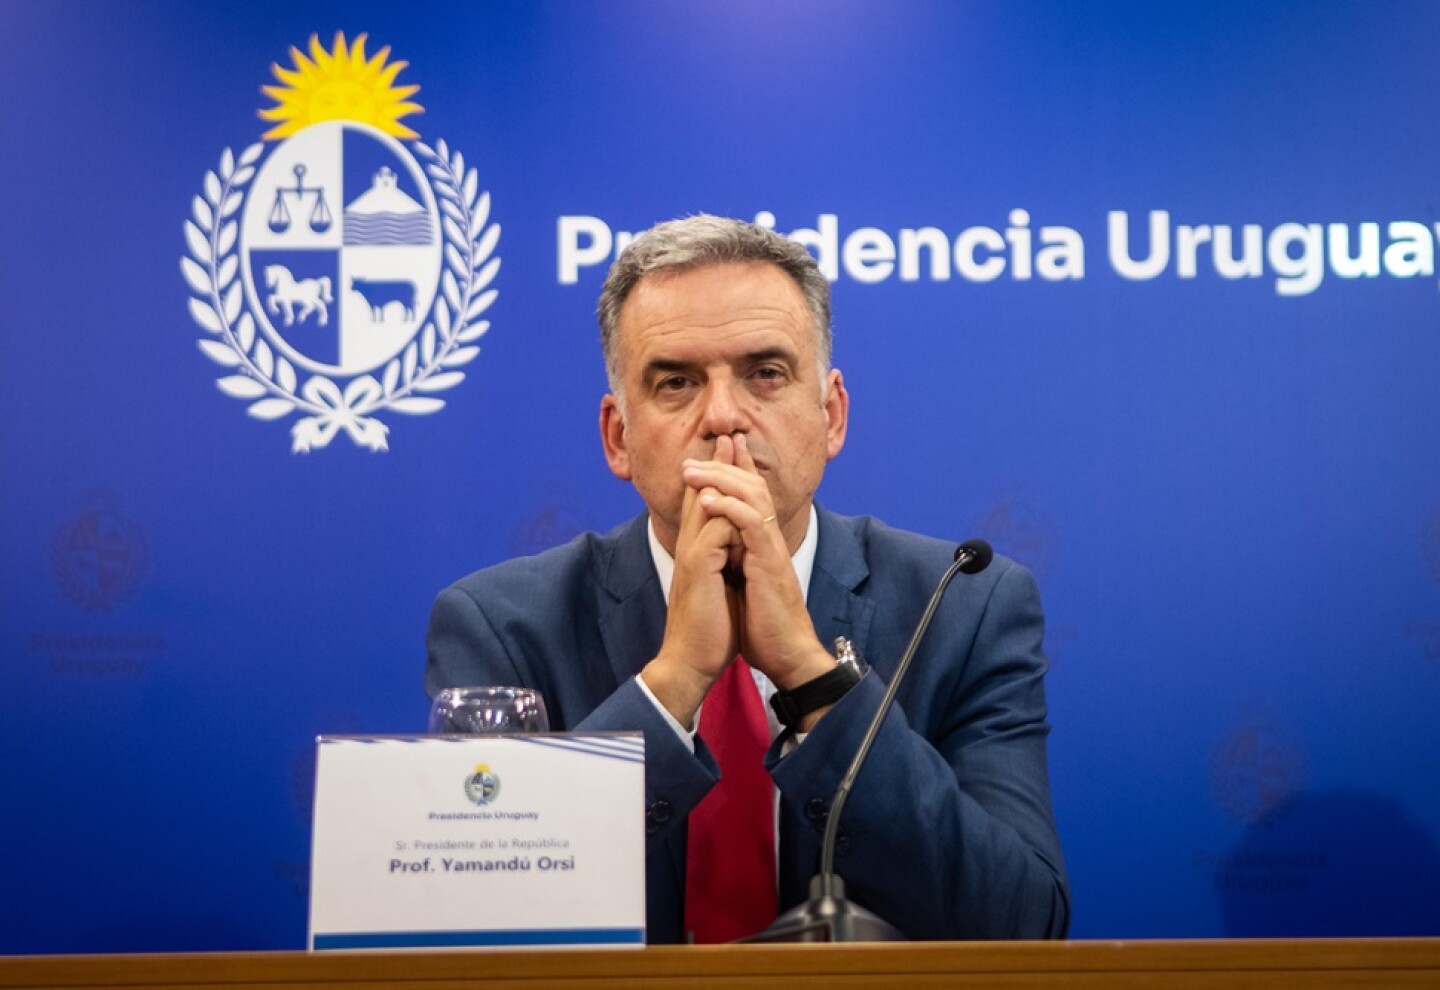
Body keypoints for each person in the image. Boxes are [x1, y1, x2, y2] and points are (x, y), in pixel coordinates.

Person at [426, 215, 1069, 943]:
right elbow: (473, 921)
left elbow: (1022, 924)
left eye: (765, 374)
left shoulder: (963, 606)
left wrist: (813, 678)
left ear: (831, 416)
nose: (724, 416)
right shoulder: (502, 627)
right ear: (618, 437)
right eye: (676, 382)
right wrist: (672, 683)